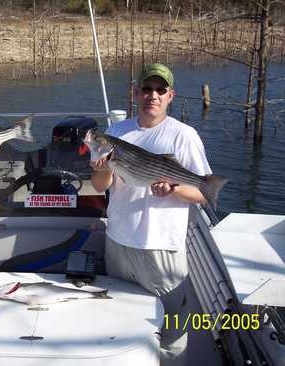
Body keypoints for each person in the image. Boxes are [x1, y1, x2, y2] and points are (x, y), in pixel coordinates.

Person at [90, 63, 212, 366]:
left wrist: (172, 190)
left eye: (160, 90)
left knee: (172, 329)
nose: (152, 95)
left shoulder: (184, 136)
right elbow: (98, 186)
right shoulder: (116, 133)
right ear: (136, 93)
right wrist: (103, 169)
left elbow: (203, 194)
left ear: (170, 96)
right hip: (118, 242)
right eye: (147, 89)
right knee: (122, 319)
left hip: (161, 247)